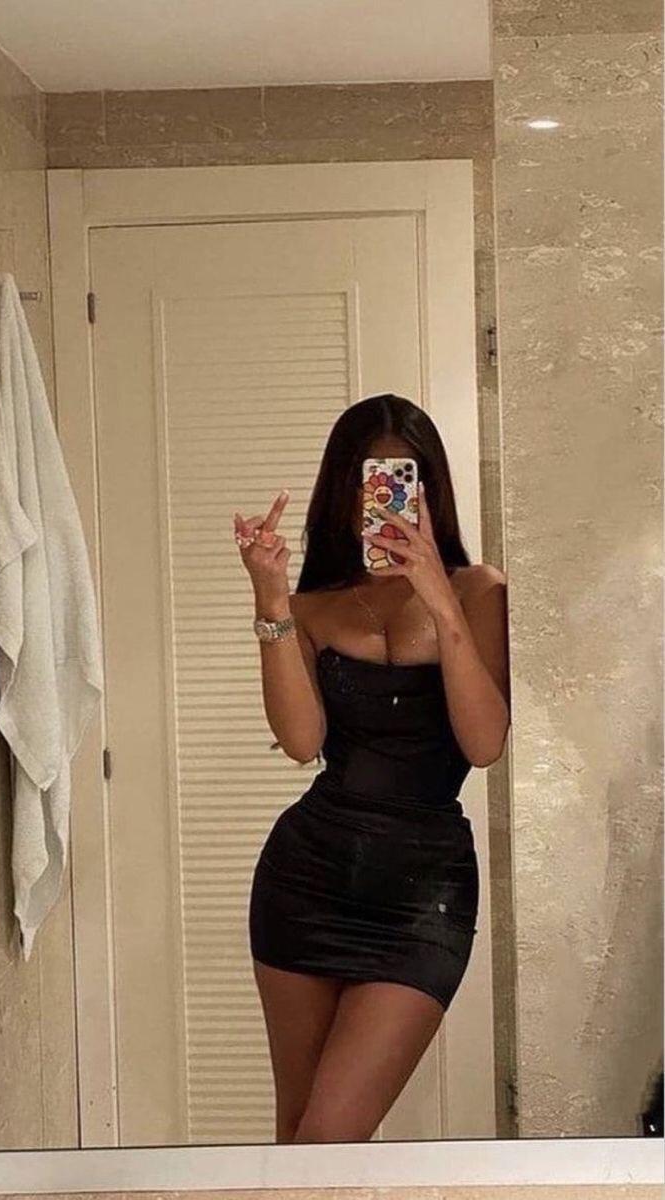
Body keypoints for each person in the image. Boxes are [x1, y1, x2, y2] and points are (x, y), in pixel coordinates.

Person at [233, 394, 510, 1144]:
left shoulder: (480, 591)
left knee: (329, 1137)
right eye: (368, 478)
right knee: (299, 1140)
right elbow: (301, 741)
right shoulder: (314, 607)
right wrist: (270, 598)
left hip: (423, 894)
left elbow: (484, 743)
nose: (384, 496)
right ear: (343, 489)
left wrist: (440, 599)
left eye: (401, 478)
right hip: (306, 879)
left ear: (429, 488)